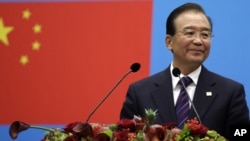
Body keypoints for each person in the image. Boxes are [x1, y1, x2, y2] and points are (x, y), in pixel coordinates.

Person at [120, 2, 249, 139]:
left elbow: (241, 135)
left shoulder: (230, 92)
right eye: (190, 33)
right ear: (169, 42)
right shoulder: (140, 92)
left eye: (205, 35)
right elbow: (126, 136)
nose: (199, 41)